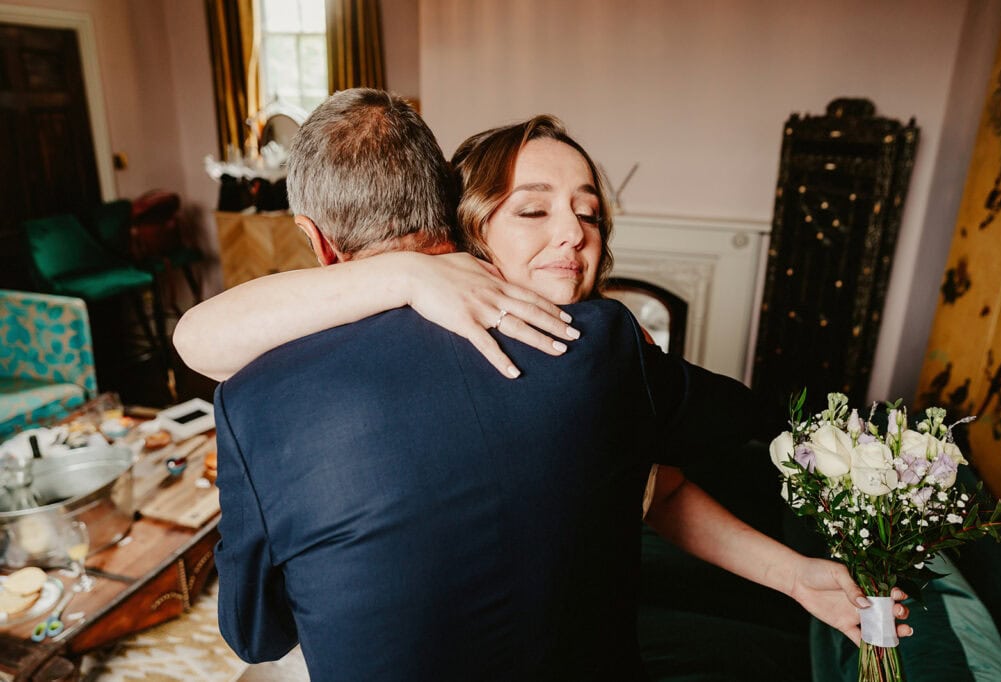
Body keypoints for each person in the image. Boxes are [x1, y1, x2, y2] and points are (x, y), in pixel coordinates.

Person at [196, 89, 909, 682]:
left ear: (315, 240)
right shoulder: (603, 341)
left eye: (589, 212)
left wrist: (795, 574)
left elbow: (658, 482)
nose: (573, 234)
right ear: (459, 220)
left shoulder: (255, 393)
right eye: (533, 209)